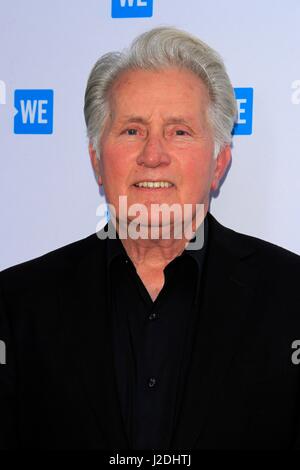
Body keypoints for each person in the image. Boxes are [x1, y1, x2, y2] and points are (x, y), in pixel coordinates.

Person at [0, 26, 300, 450]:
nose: (153, 155)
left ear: (219, 164)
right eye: (132, 131)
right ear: (97, 162)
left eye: (179, 131)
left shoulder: (291, 297)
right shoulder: (16, 304)